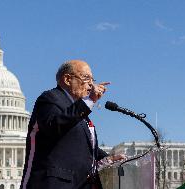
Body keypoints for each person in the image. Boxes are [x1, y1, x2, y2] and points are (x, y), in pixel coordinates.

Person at [20, 60, 125, 189]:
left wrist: (111, 158)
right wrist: (89, 101)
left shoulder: (80, 112)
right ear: (68, 79)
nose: (92, 84)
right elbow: (54, 126)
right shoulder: (50, 98)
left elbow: (86, 148)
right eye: (86, 78)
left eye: (92, 79)